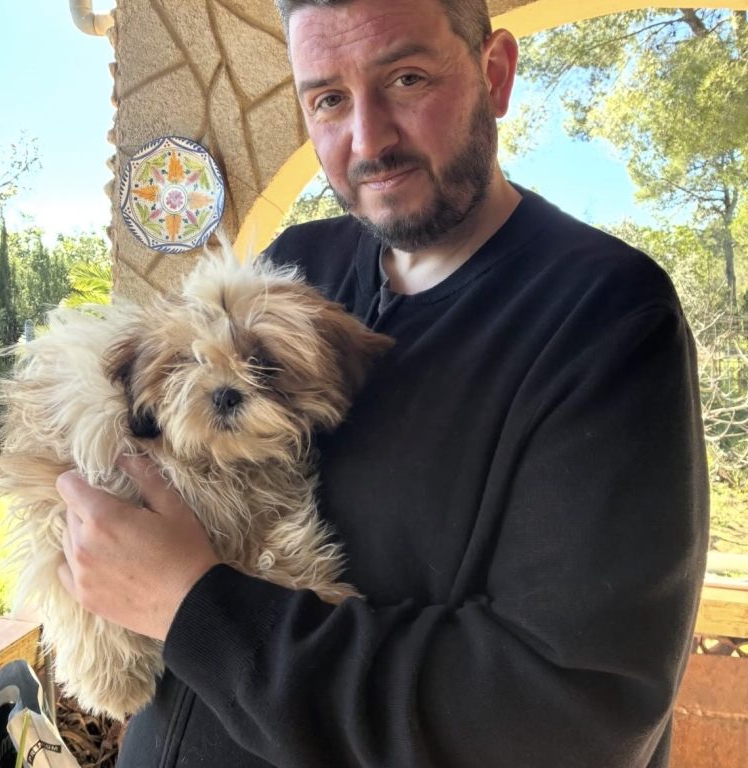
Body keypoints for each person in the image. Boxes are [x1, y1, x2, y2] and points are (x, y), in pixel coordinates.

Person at [55, 0, 709, 765]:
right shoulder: (294, 267)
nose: (368, 140)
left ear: (495, 74)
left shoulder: (604, 319)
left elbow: (571, 716)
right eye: (328, 99)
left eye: (406, 79)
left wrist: (193, 608)